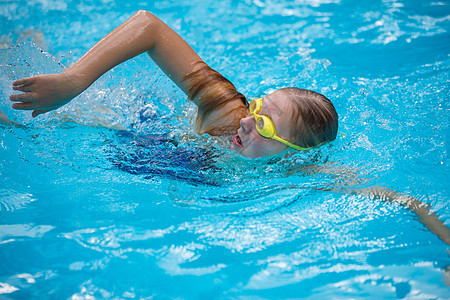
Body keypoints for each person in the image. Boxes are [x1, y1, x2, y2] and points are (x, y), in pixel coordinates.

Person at [9, 10, 338, 159]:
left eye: (265, 124)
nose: (247, 121)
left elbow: (349, 185)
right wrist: (72, 81)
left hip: (153, 152)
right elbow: (149, 27)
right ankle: (28, 44)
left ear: (295, 153)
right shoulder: (226, 112)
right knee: (19, 115)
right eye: (256, 108)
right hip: (138, 123)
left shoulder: (293, 172)